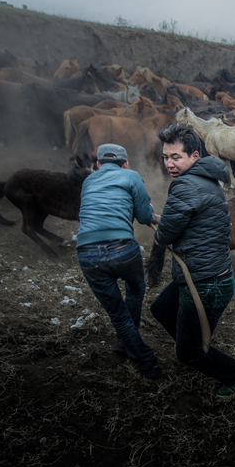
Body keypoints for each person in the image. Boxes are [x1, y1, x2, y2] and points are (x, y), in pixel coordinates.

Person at [150, 124, 235, 396]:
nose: (169, 163)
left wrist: (160, 226)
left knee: (188, 353)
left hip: (203, 283)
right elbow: (192, 219)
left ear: (194, 156)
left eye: (176, 157)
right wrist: (167, 220)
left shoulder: (184, 185)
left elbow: (165, 235)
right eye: (165, 157)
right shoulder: (207, 179)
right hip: (208, 274)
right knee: (161, 309)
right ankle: (191, 339)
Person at [76, 143, 161, 380]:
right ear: (125, 163)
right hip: (122, 249)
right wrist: (150, 211)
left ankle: (125, 342)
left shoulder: (89, 181)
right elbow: (145, 216)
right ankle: (145, 361)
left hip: (86, 253)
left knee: (118, 315)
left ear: (99, 164)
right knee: (136, 288)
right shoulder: (131, 176)